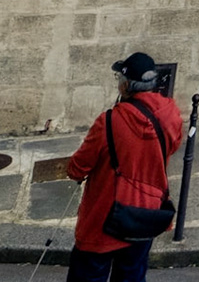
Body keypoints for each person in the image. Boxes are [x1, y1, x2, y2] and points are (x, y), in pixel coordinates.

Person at [64, 52, 184, 282]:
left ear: (125, 86)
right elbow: (172, 146)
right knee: (132, 274)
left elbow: (78, 168)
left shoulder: (109, 121)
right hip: (145, 214)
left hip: (106, 216)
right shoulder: (171, 114)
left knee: (89, 274)